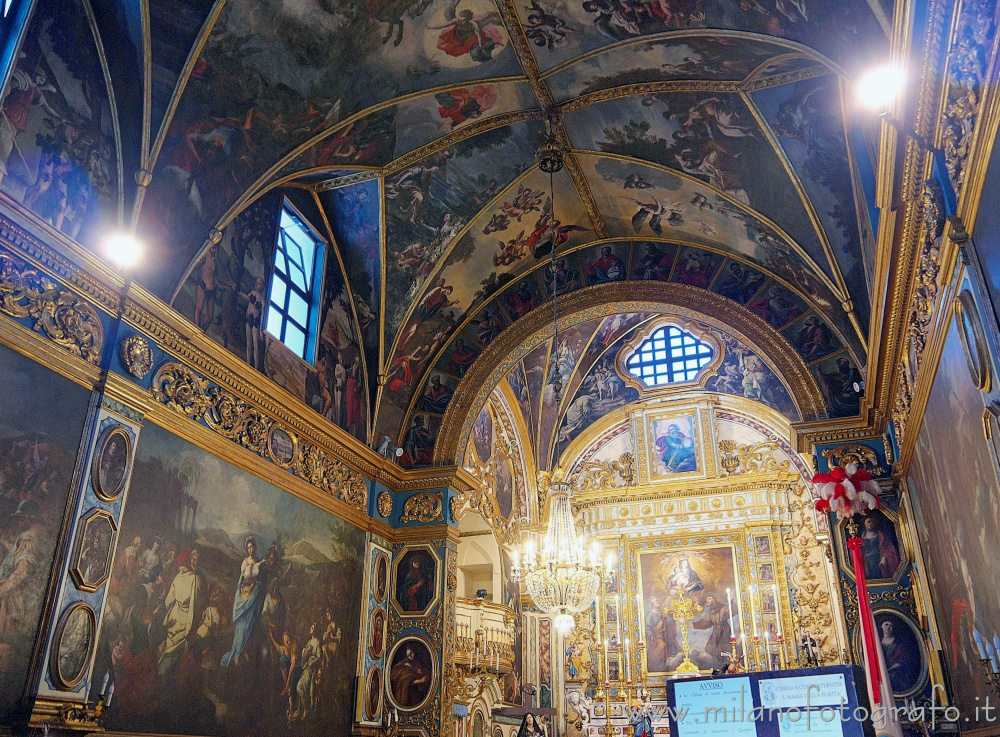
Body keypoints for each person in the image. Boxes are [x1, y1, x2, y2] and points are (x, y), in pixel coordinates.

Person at [221, 536, 271, 667]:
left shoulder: (258, 560)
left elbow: (262, 576)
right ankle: (237, 653)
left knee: (250, 624)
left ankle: (244, 650)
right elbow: (244, 578)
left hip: (254, 595)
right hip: (245, 594)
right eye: (248, 547)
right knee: (242, 626)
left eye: (252, 546)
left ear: (255, 547)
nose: (250, 549)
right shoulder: (245, 561)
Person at [0, 499, 45, 634]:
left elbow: (22, 571)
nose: (18, 522)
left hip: (12, 600)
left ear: (31, 516)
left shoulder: (28, 537)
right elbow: (18, 553)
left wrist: (2, 590)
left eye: (21, 518)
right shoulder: (33, 535)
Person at [158, 548, 202, 675]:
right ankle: (162, 677)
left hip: (175, 620)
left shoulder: (178, 577)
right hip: (184, 623)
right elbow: (198, 607)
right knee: (173, 655)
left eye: (197, 560)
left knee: (170, 653)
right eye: (193, 558)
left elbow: (168, 602)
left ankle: (162, 677)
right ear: (189, 560)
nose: (195, 562)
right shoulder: (196, 579)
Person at [692, 594, 732, 666]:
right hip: (716, 631)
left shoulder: (723, 608)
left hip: (724, 632)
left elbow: (732, 609)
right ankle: (717, 665)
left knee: (723, 648)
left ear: (714, 599)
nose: (708, 601)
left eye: (709, 598)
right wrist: (694, 625)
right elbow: (706, 622)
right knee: (710, 648)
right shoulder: (711, 611)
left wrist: (731, 601)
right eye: (707, 599)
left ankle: (726, 665)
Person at [861, 514, 901, 579]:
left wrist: (884, 558)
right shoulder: (862, 536)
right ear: (864, 523)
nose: (871, 524)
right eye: (868, 521)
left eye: (873, 522)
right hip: (866, 563)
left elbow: (889, 547)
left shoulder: (881, 535)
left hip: (877, 560)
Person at [644, 595, 677, 671]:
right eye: (656, 601)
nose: (658, 602)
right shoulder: (650, 615)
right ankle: (659, 667)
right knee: (661, 647)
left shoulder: (664, 613)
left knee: (673, 646)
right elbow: (648, 626)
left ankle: (671, 665)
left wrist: (668, 617)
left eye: (658, 600)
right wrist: (651, 635)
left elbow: (670, 623)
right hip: (657, 637)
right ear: (652, 604)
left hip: (666, 636)